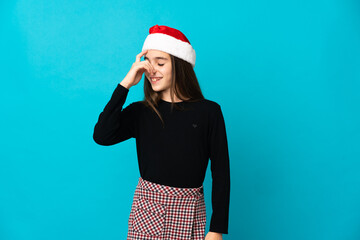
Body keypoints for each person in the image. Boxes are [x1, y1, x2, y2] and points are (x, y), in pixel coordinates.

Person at [93, 24, 230, 240]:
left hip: (189, 211)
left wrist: (217, 228)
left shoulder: (209, 112)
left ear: (180, 65)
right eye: (149, 63)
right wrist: (126, 84)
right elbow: (102, 136)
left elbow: (221, 173)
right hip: (146, 212)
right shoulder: (141, 111)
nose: (152, 71)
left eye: (161, 62)